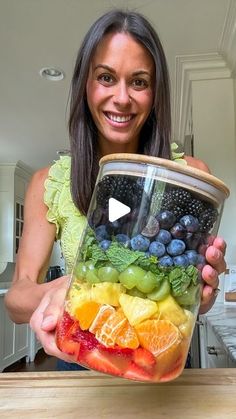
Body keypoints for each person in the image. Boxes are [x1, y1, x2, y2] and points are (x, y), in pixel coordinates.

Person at [4, 9, 226, 370]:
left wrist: (203, 290)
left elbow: (194, 303)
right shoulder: (49, 182)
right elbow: (16, 299)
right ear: (85, 85)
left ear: (155, 93)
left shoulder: (191, 176)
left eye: (139, 82)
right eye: (106, 77)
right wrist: (69, 290)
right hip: (82, 363)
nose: (122, 98)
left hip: (157, 365)